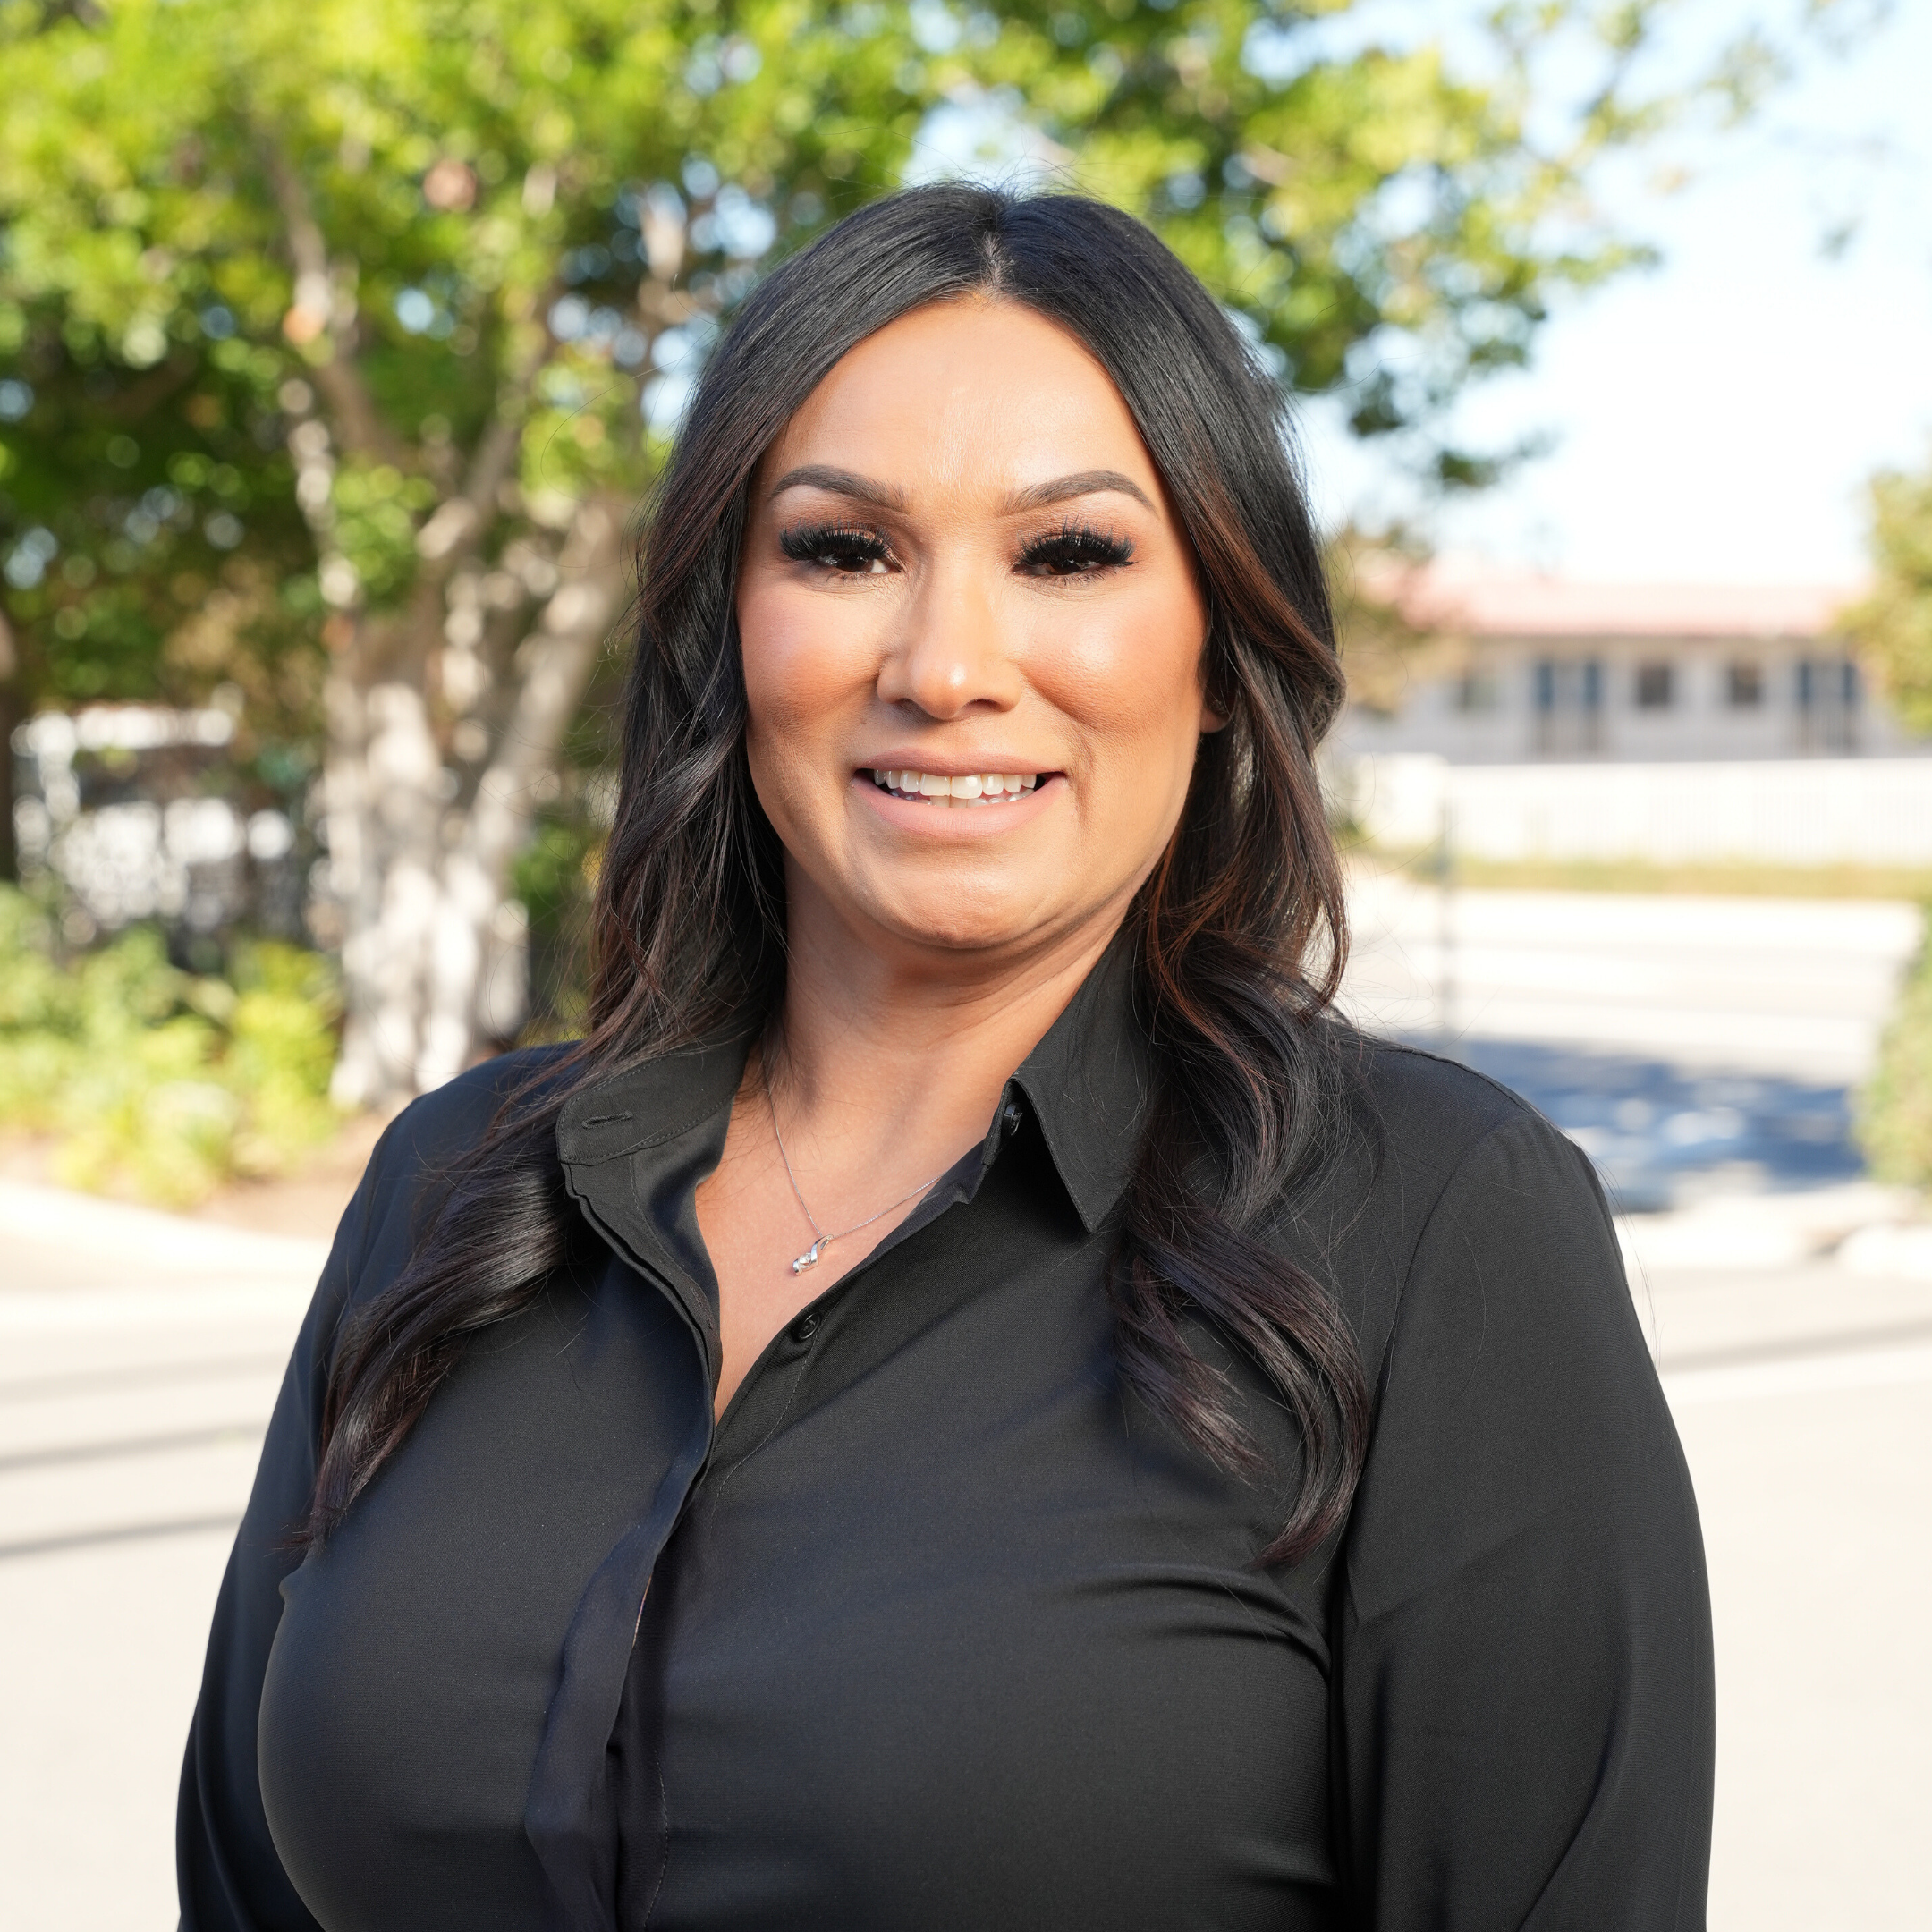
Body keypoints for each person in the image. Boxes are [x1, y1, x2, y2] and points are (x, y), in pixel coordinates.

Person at [179, 184, 1713, 1932]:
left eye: (1069, 554)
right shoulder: (453, 1189)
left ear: (1222, 648)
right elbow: (239, 1887)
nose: (946, 667)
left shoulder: (1437, 1231)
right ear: (726, 627)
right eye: (844, 550)